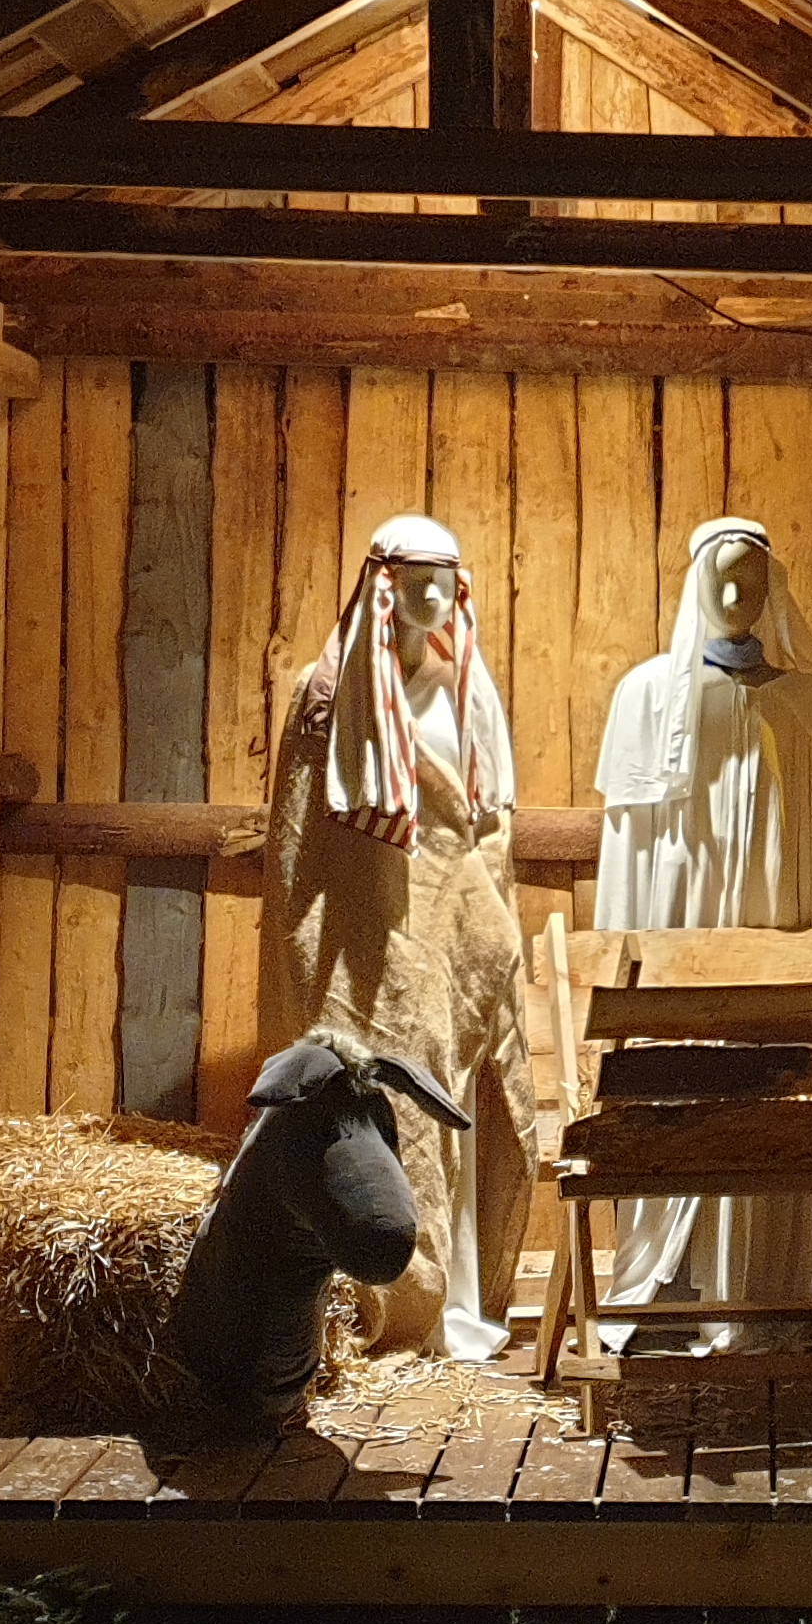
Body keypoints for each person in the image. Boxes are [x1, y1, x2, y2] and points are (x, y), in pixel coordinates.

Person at [263, 513, 530, 1359]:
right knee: (363, 1107)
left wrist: (480, 935)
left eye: (444, 579)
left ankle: (439, 1304)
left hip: (445, 948)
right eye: (412, 577)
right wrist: (316, 944)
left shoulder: (467, 691)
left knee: (435, 1111)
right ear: (382, 582)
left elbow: (486, 830)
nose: (430, 594)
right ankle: (363, 1309)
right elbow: (300, 842)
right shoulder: (326, 695)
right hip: (357, 947)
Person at [589, 516, 812, 1346]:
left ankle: (752, 1289)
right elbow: (629, 848)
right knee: (678, 1082)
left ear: (775, 592)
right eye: (723, 580)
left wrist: (808, 949)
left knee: (760, 1081)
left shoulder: (803, 702)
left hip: (773, 928)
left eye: (754, 582)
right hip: (679, 925)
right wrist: (627, 950)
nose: (738, 599)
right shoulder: (647, 699)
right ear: (694, 584)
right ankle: (665, 1282)